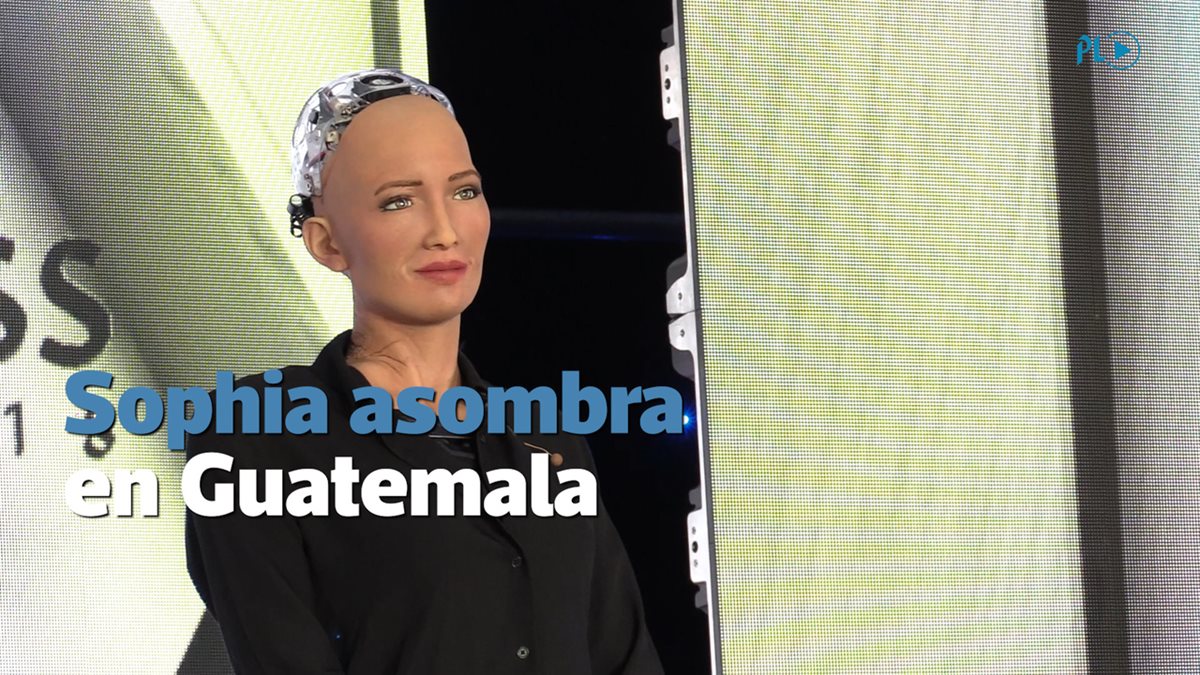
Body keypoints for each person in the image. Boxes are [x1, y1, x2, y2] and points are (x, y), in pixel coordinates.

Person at [183, 68, 665, 674]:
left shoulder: (548, 439)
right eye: (399, 201)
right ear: (327, 243)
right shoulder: (255, 437)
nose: (444, 231)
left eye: (464, 192)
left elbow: (623, 655)